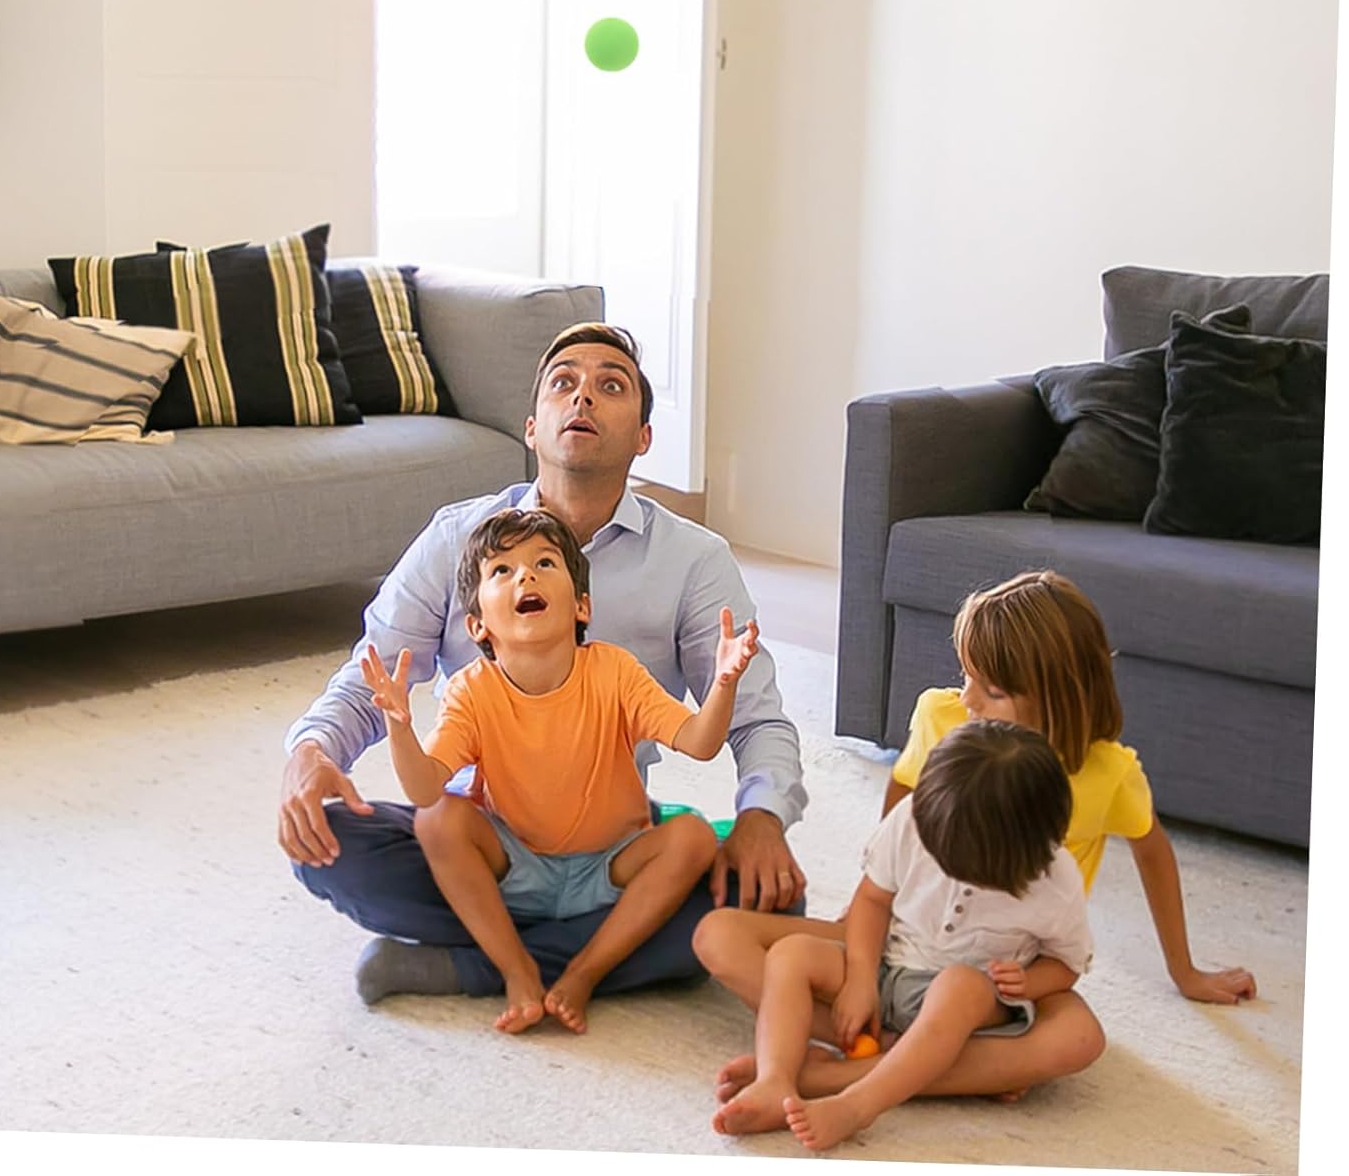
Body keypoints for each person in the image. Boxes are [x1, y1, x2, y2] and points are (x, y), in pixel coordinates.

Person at [278, 322, 808, 1006]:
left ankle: (472, 965)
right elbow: (373, 677)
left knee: (771, 896)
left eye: (610, 386)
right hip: (483, 840)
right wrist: (312, 749)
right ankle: (607, 951)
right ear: (532, 428)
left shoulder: (695, 560)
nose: (582, 396)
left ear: (643, 436)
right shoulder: (455, 537)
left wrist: (762, 817)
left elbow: (756, 718)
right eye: (564, 382)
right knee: (324, 840)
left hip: (612, 847)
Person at [701, 567, 1255, 1114]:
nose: (968, 700)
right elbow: (902, 800)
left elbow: (1152, 853)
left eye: (991, 690)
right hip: (901, 937)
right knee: (719, 936)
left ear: (1058, 696)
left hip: (999, 976)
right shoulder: (944, 716)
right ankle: (943, 1062)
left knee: (1080, 1037)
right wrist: (866, 920)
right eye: (966, 675)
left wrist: (1185, 972)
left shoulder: (1107, 773)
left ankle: (840, 1074)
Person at [361, 506, 759, 1035]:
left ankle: (583, 973)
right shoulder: (470, 690)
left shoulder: (616, 671)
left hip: (612, 865)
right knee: (433, 821)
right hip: (514, 866)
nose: (525, 576)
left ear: (581, 605)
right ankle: (515, 968)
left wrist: (724, 684)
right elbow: (425, 788)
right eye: (502, 570)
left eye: (544, 563)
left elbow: (700, 743)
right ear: (477, 624)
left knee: (694, 838)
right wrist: (399, 726)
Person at [702, 721, 1092, 1151]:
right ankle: (777, 1077)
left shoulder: (1057, 881)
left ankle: (850, 1096)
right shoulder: (916, 816)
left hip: (969, 1000)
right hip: (887, 962)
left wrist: (1029, 983)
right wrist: (860, 979)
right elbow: (872, 901)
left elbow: (1067, 964)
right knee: (786, 952)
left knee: (1074, 1035)